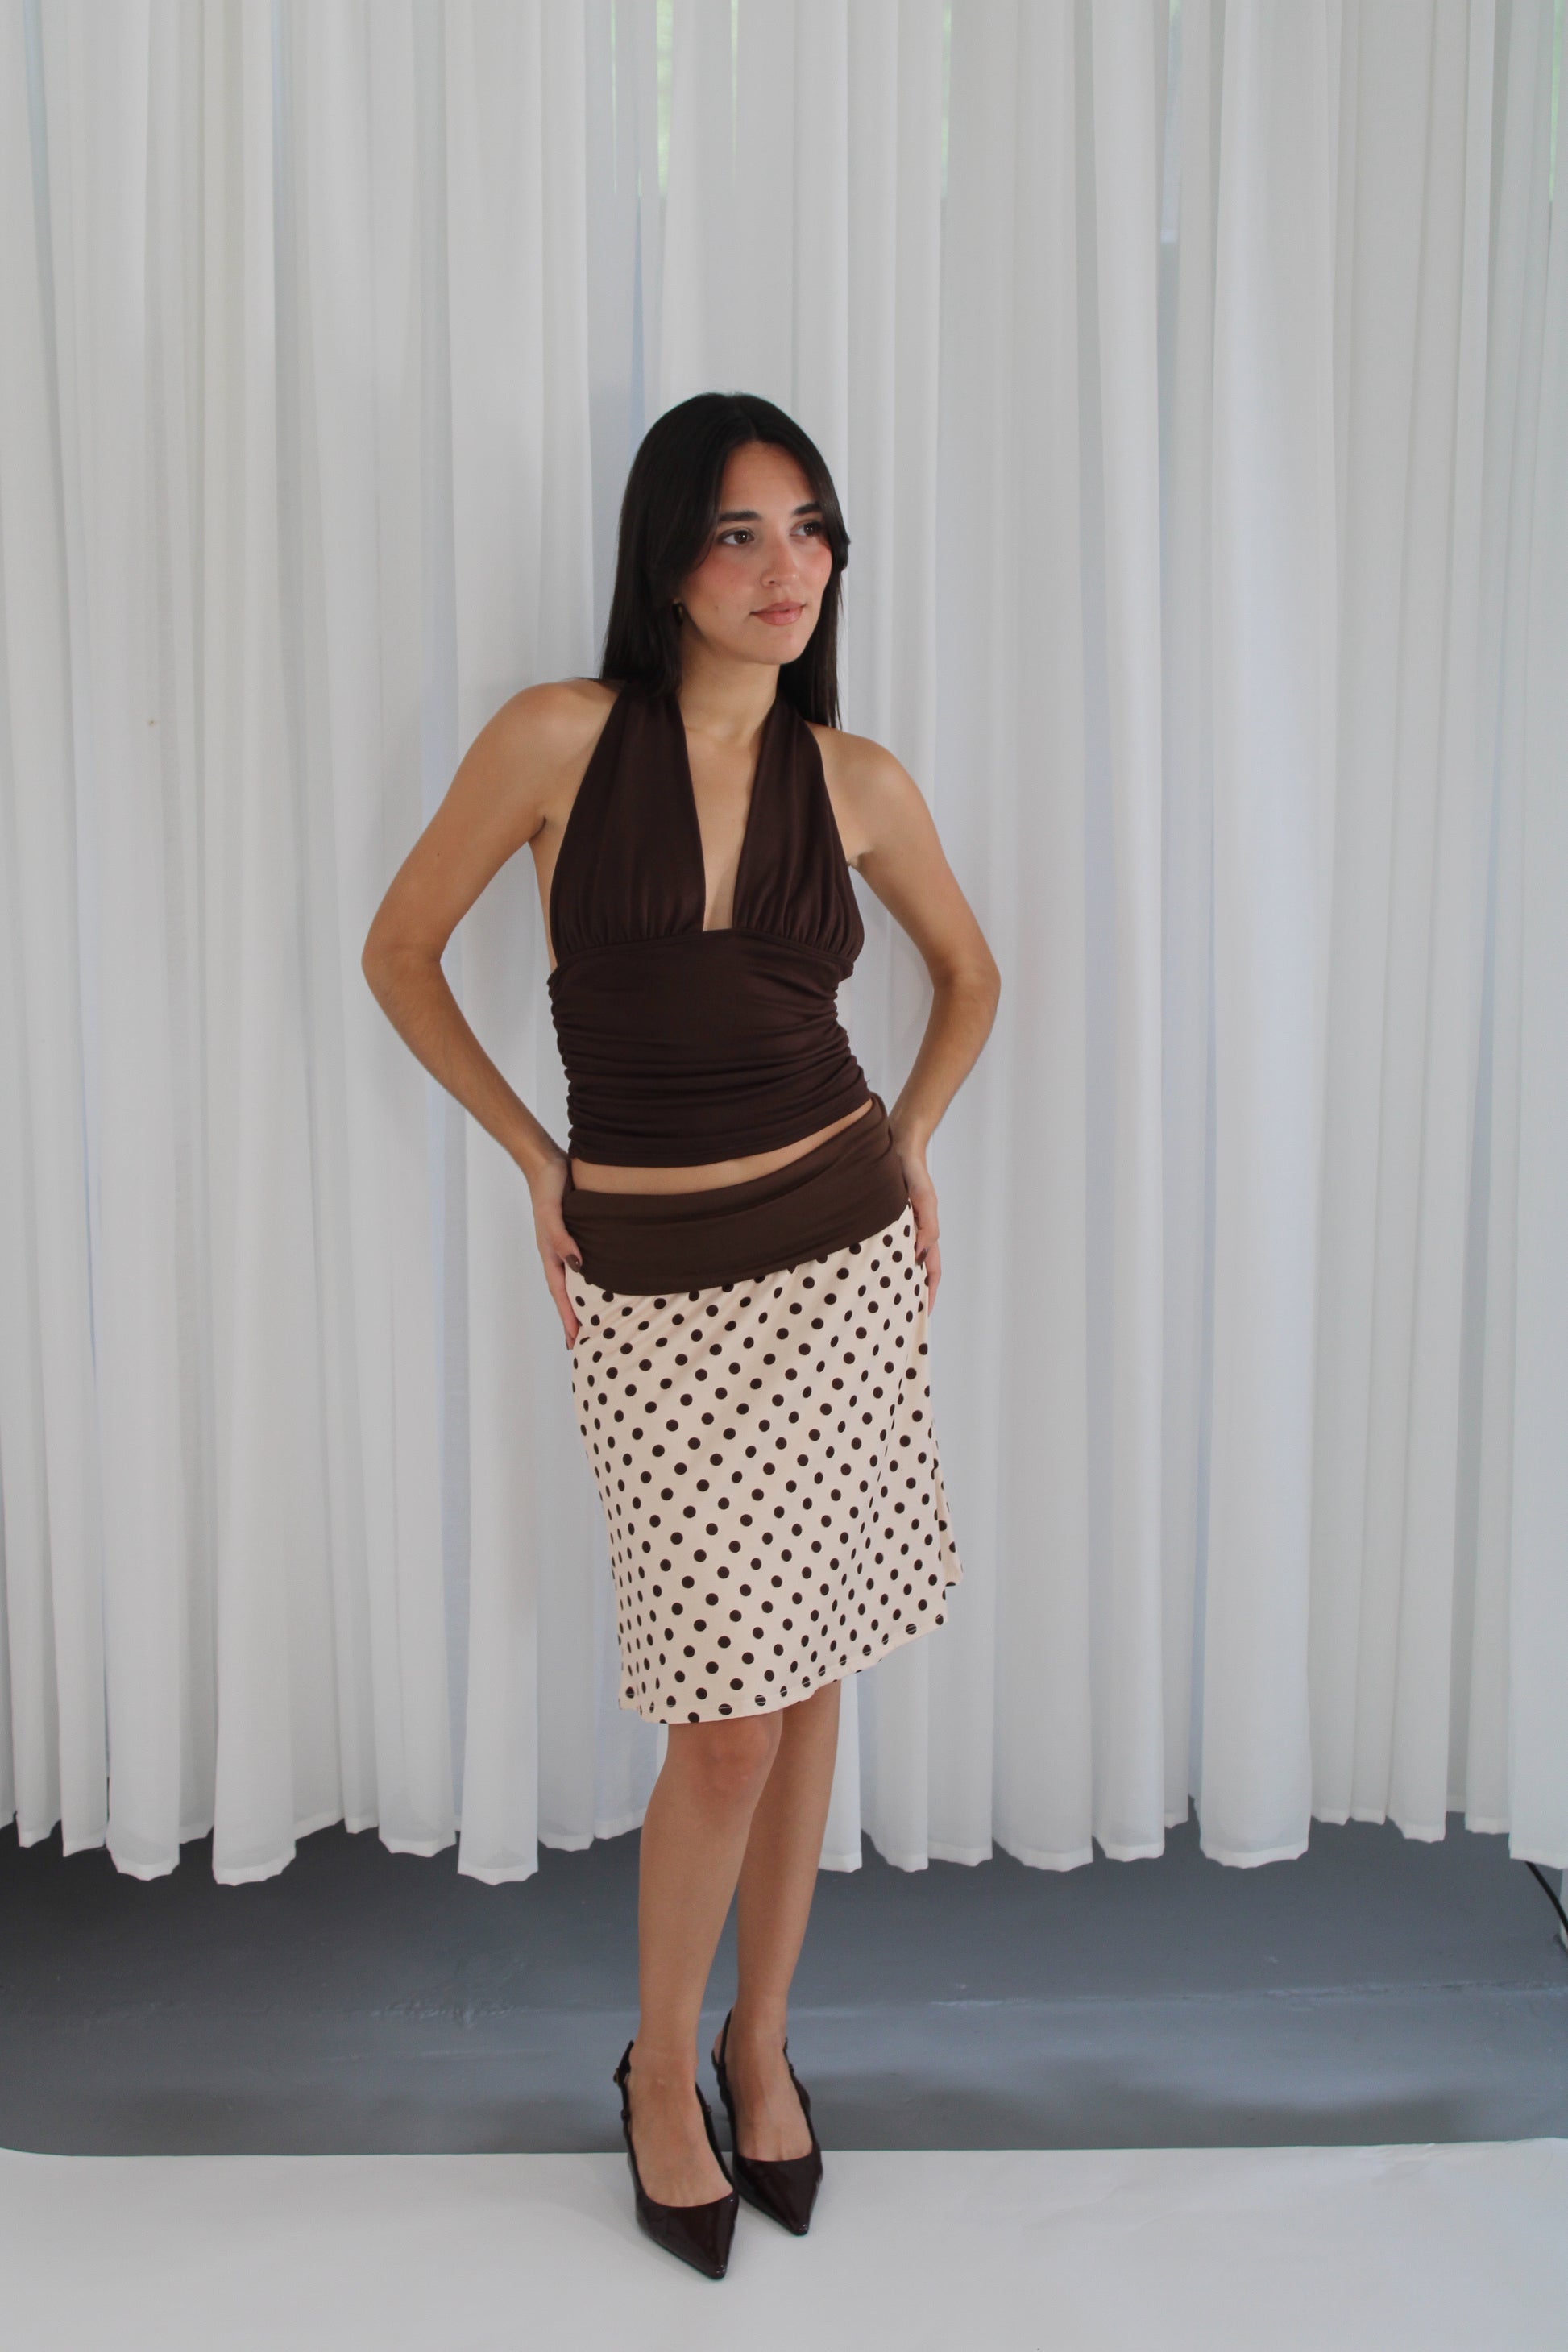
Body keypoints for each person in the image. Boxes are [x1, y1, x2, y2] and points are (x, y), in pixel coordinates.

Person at [362, 391, 999, 2276]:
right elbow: (399, 950)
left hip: (842, 1265)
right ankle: (657, 2060)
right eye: (738, 531)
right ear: (665, 558)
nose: (786, 566)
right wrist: (530, 1155)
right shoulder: (556, 738)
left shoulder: (857, 778)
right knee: (724, 1719)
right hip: (651, 1286)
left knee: (807, 1674)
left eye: (810, 528)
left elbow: (971, 974)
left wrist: (911, 1140)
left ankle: (758, 2039)